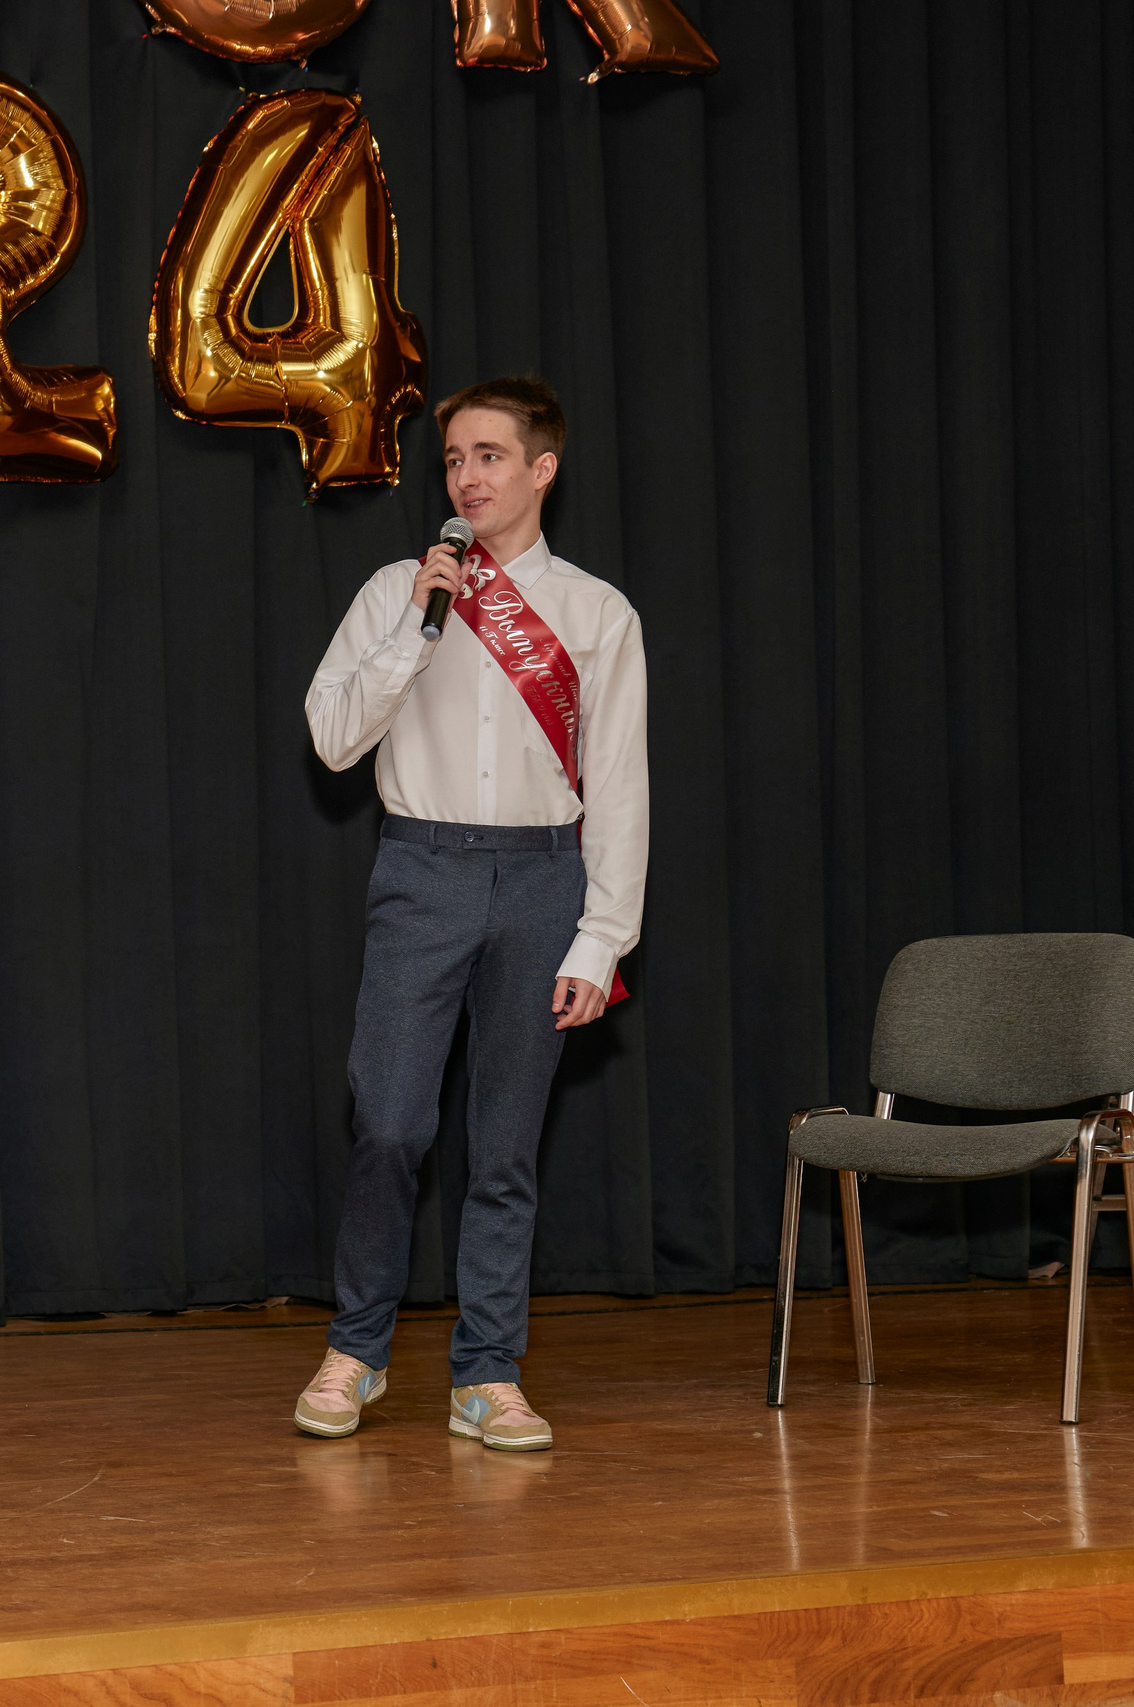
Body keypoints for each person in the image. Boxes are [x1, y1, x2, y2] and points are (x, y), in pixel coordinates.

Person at [295, 376, 647, 1454]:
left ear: (542, 469)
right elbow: (331, 740)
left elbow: (620, 786)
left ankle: (487, 1371)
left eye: (489, 456)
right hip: (423, 871)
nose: (467, 477)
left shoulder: (595, 613)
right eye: (453, 459)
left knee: (503, 1149)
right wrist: (415, 628)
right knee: (392, 1126)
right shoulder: (397, 591)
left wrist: (603, 936)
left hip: (545, 879)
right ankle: (354, 1350)